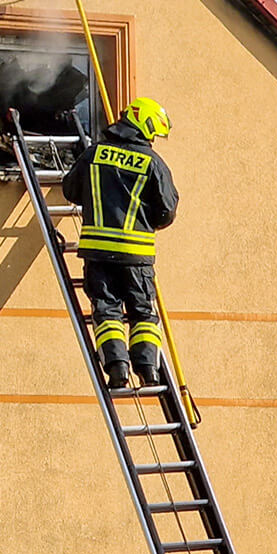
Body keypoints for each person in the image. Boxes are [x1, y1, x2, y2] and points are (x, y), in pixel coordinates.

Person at [61, 96, 178, 390]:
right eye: (154, 132)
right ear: (145, 125)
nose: (153, 138)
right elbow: (167, 210)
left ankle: (117, 370)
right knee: (142, 312)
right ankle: (148, 370)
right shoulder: (152, 163)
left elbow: (72, 190)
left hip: (98, 253)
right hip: (136, 256)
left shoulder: (93, 154)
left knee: (107, 310)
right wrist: (144, 218)